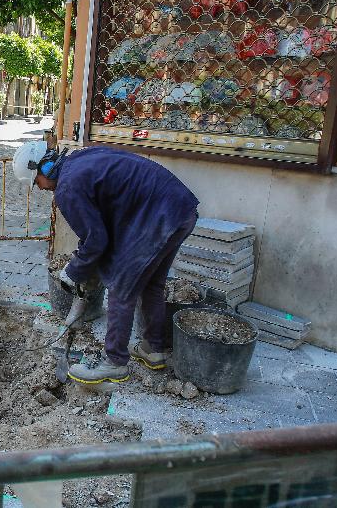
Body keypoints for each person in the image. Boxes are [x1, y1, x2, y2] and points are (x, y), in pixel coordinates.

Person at [13, 141, 198, 384]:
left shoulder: (67, 189)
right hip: (180, 209)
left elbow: (96, 240)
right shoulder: (79, 161)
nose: (40, 188)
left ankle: (114, 362)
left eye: (36, 182)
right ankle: (154, 349)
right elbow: (97, 231)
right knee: (151, 283)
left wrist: (74, 271)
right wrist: (85, 265)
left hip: (157, 216)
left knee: (121, 287)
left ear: (44, 168)